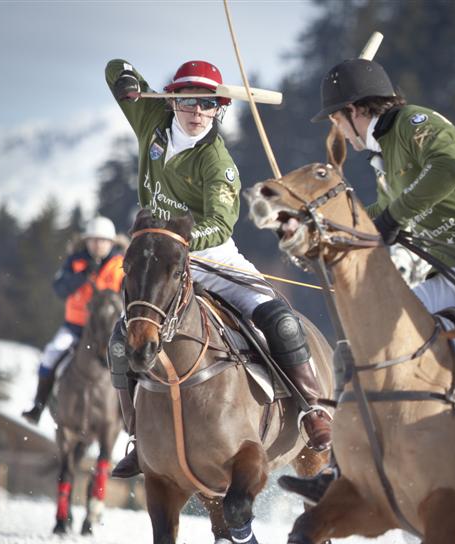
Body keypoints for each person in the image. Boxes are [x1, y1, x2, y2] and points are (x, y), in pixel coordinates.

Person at [280, 57, 455, 502]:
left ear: (357, 110)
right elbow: (380, 229)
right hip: (446, 276)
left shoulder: (416, 123)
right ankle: (341, 468)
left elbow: (447, 169)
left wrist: (395, 216)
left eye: (338, 118)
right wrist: (323, 248)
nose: (338, 128)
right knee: (367, 348)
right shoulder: (382, 159)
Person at [105, 58, 332, 478]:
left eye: (209, 104)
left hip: (213, 258)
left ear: (218, 110)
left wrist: (177, 239)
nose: (198, 113)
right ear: (171, 100)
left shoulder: (217, 162)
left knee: (279, 320)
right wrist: (125, 81)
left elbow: (220, 223)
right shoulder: (152, 120)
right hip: (160, 262)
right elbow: (115, 66)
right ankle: (138, 437)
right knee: (123, 338)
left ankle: (312, 410)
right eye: (190, 101)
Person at [22, 216, 125, 425]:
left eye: (103, 240)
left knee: (130, 360)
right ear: (86, 241)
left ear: (111, 243)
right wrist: (81, 277)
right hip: (75, 327)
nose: (98, 245)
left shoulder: (121, 265)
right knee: (50, 354)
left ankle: (126, 415)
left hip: (109, 330)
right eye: (94, 240)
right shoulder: (75, 261)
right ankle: (38, 406)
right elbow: (59, 288)